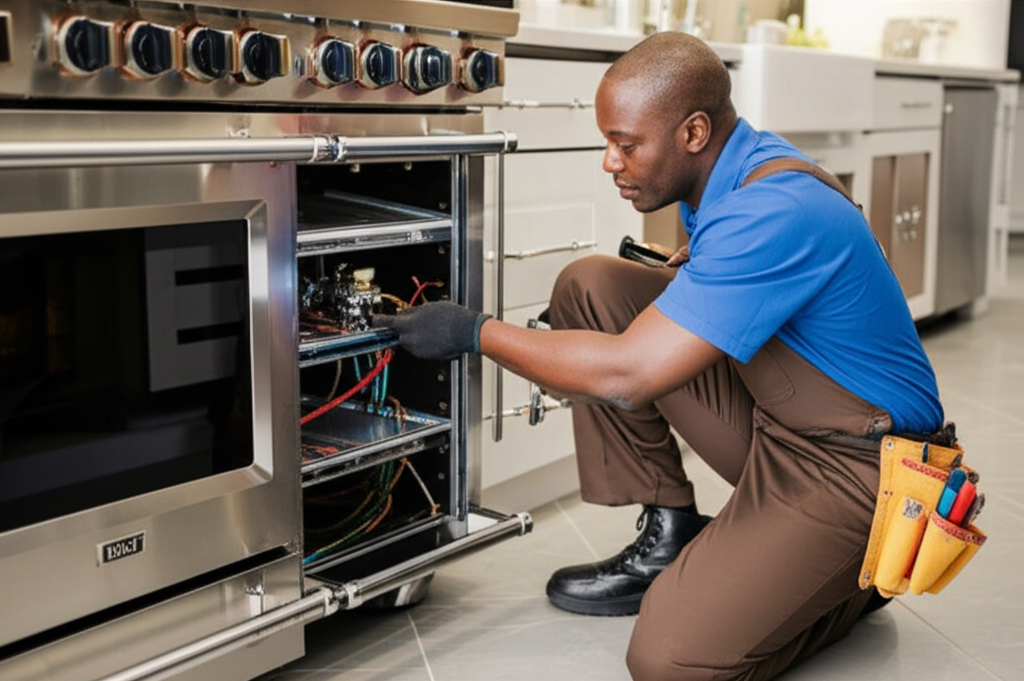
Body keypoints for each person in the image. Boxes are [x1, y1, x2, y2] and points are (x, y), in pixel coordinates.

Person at [374, 31, 944, 681]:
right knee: (592, 286)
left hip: (863, 468)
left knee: (670, 659)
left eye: (625, 143)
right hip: (780, 427)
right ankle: (671, 530)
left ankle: (862, 576)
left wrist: (472, 331)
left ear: (694, 132)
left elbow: (628, 375)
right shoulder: (737, 176)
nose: (610, 162)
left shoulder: (775, 207)